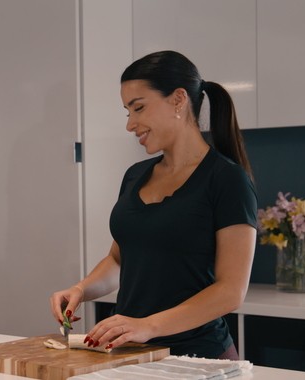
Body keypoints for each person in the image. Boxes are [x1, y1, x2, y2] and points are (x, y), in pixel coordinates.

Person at [50, 50, 257, 359]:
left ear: (178, 100)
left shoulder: (227, 179)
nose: (130, 124)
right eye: (127, 112)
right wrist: (81, 289)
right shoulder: (135, 176)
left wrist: (149, 326)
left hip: (198, 358)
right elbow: (120, 260)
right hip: (133, 354)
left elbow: (231, 292)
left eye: (139, 108)